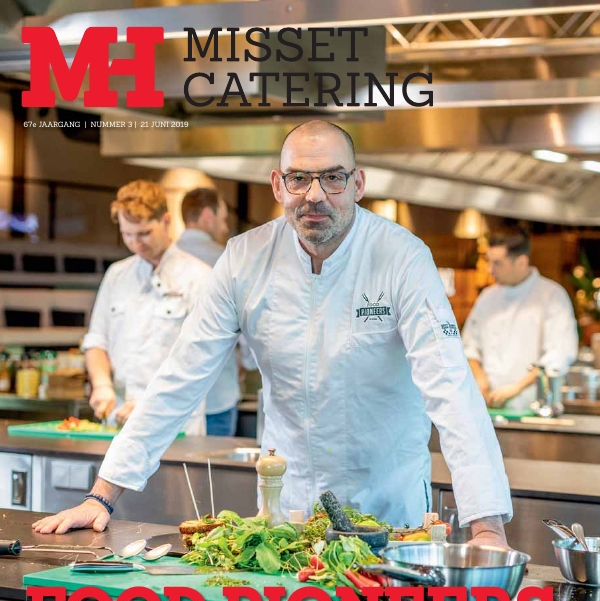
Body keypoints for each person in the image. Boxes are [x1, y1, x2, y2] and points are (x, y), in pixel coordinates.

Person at [34, 120, 512, 548]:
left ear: (358, 184)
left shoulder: (402, 257)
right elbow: (181, 375)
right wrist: (103, 495)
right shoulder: (245, 258)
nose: (315, 194)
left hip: (387, 503)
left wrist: (487, 529)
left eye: (333, 177)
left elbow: (450, 388)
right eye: (299, 178)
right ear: (278, 185)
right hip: (288, 506)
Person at [82, 180, 211, 434]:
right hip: (118, 421)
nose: (136, 243)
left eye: (144, 234)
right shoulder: (116, 275)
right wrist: (102, 385)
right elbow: (97, 341)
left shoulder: (199, 277)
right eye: (127, 235)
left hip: (175, 424)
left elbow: (199, 359)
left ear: (166, 221)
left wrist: (150, 406)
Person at [462, 226, 578, 410]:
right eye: (489, 262)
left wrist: (515, 388)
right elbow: (469, 347)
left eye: (497, 263)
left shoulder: (552, 296)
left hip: (532, 407)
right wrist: (480, 379)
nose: (490, 269)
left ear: (521, 262)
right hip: (485, 408)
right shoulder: (487, 297)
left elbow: (558, 355)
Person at [177, 188, 241, 436]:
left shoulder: (161, 261)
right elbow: (247, 322)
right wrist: (248, 361)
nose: (224, 228)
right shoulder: (229, 259)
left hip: (172, 397)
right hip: (217, 394)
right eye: (223, 220)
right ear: (207, 216)